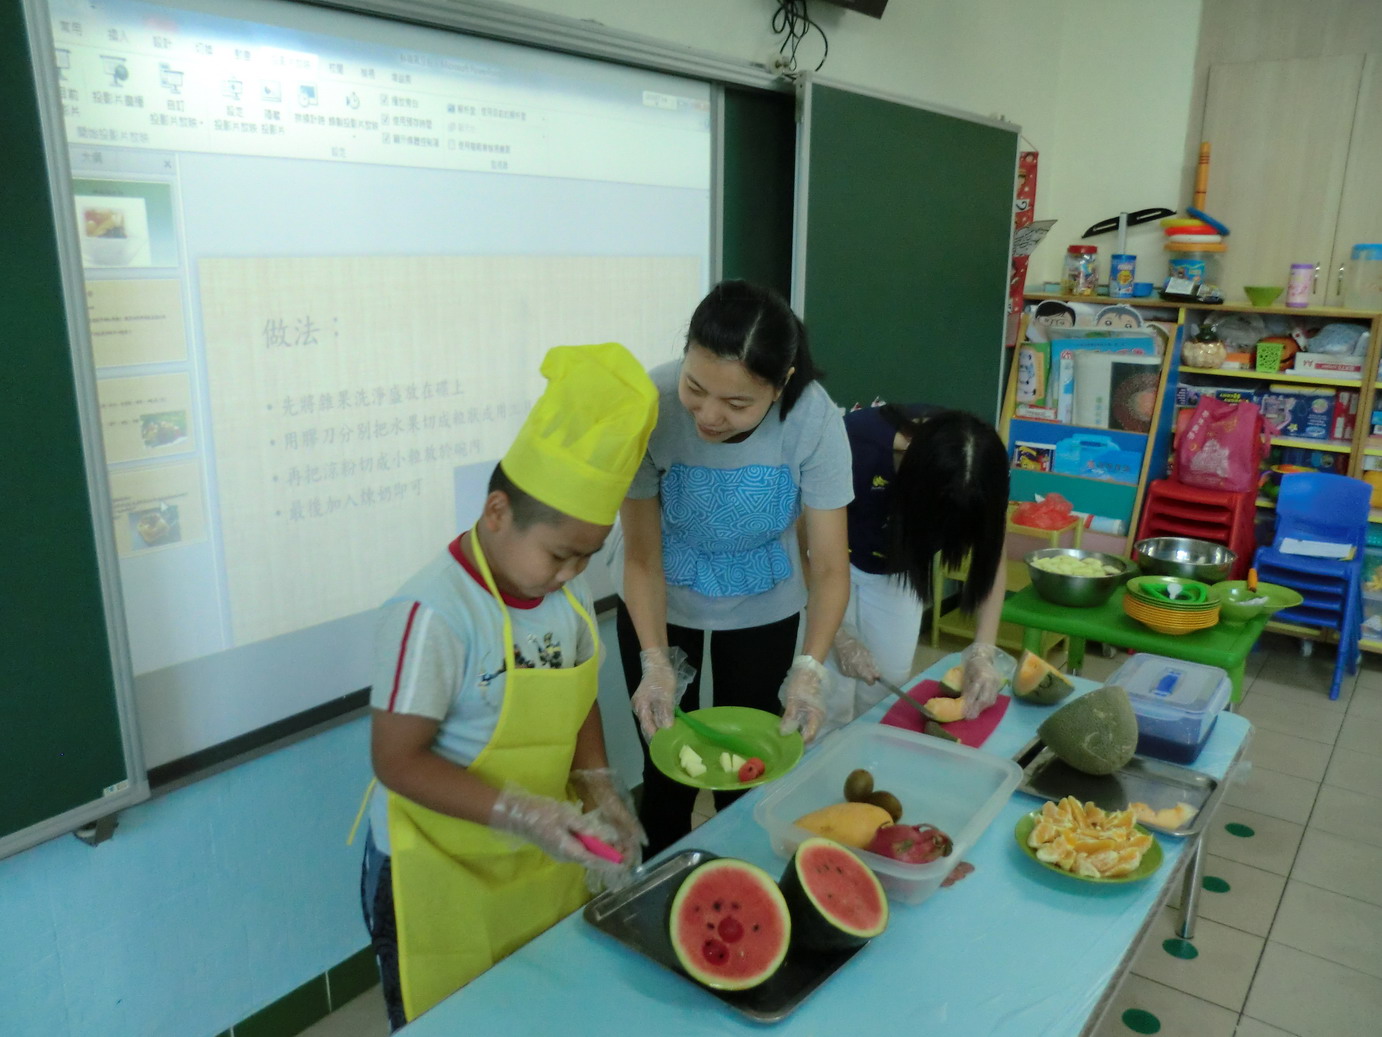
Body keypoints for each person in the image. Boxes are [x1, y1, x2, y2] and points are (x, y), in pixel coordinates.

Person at [357, 342, 658, 1030]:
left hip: (530, 855)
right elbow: (396, 761)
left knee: (533, 1007)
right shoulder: (433, 614)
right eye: (560, 554)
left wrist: (599, 785)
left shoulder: (566, 599)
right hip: (433, 861)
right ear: (497, 511)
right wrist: (525, 812)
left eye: (588, 556)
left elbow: (577, 698)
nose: (571, 573)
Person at [615, 280, 854, 855]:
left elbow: (828, 565)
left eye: (737, 404)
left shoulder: (813, 419)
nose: (708, 415)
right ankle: (664, 884)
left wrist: (810, 670)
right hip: (661, 596)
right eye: (695, 389)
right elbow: (642, 557)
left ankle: (741, 881)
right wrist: (654, 660)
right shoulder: (651, 404)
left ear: (782, 384)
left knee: (749, 769)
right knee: (666, 770)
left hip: (763, 602)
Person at [826, 402, 1011, 731]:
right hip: (831, 560)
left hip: (899, 568)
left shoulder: (982, 466)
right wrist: (839, 635)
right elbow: (807, 546)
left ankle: (870, 752)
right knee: (831, 691)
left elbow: (991, 557)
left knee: (886, 684)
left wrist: (983, 650)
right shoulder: (854, 444)